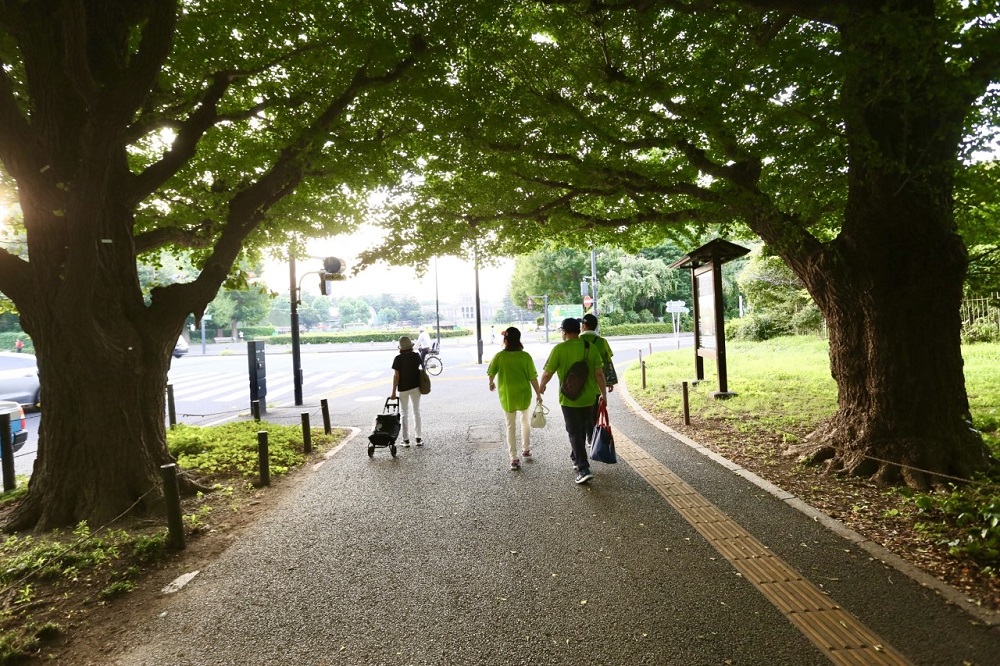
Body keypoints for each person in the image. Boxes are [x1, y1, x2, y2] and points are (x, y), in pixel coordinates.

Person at [539, 317, 607, 484]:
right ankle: (576, 458)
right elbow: (599, 373)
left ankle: (583, 468)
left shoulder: (559, 349)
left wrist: (541, 387)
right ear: (579, 330)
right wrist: (603, 395)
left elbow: (548, 373)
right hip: (589, 398)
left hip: (569, 399)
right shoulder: (589, 347)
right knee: (582, 429)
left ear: (564, 332)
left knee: (574, 432)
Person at [487, 327, 543, 470]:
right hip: (523, 394)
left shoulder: (500, 356)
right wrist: (538, 393)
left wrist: (491, 382)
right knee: (525, 421)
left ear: (505, 340)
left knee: (510, 426)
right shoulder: (525, 356)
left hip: (507, 395)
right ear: (518, 340)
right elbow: (533, 377)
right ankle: (526, 449)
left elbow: (491, 372)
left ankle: (514, 458)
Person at [390, 336, 424, 447]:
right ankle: (418, 438)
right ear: (410, 346)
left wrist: (393, 392)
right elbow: (420, 369)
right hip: (415, 387)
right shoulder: (416, 356)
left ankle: (406, 440)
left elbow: (396, 376)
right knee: (417, 411)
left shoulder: (397, 359)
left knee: (404, 413)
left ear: (400, 347)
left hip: (403, 389)